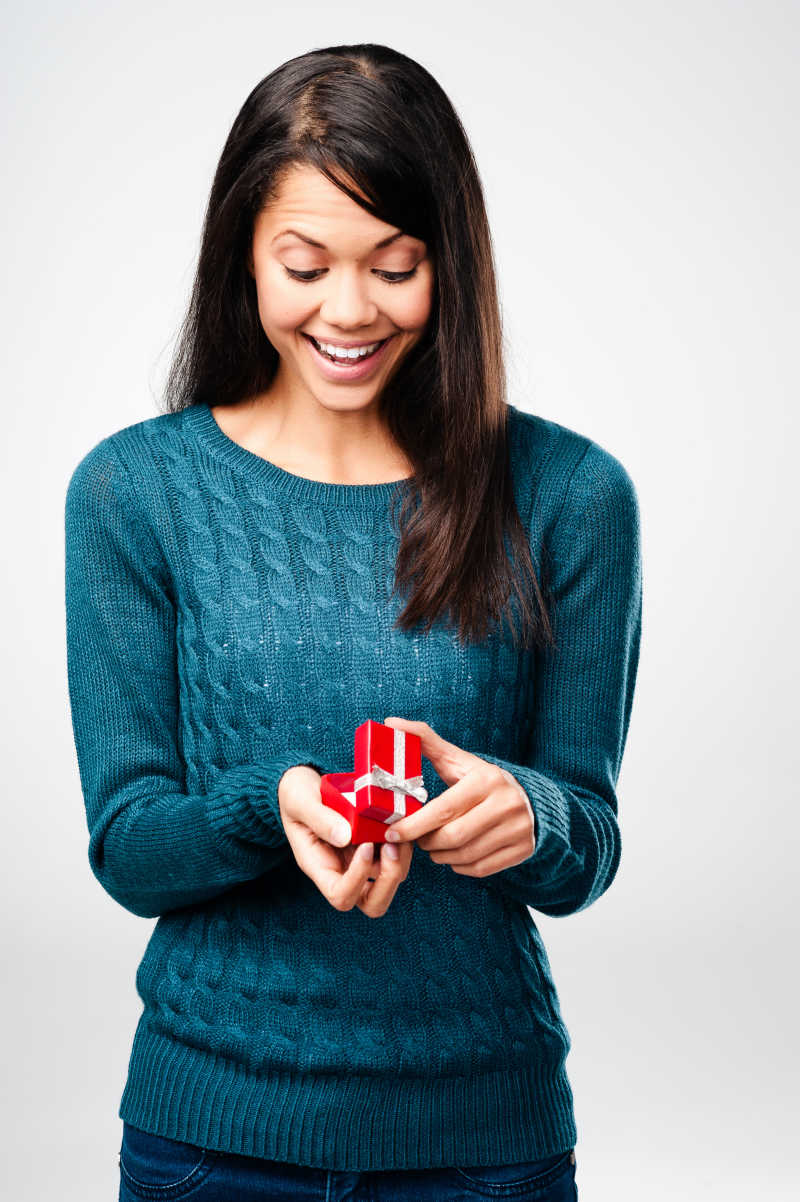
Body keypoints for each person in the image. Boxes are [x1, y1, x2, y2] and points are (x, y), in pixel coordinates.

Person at [64, 42, 642, 1202]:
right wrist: (268, 805)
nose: (347, 309)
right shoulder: (134, 492)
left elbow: (587, 840)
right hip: (210, 1140)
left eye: (393, 266)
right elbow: (129, 846)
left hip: (480, 1141)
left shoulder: (570, 495)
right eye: (304, 264)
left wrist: (528, 814)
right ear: (242, 255)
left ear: (448, 262)